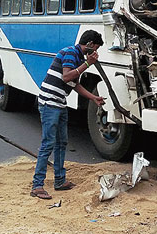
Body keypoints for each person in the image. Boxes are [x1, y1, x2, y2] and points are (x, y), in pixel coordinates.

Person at [30, 30, 105, 200]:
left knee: (61, 142)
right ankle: (37, 185)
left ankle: (59, 180)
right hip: (50, 103)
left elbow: (74, 83)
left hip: (59, 103)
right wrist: (88, 64)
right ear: (90, 45)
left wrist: (93, 98)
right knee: (48, 143)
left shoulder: (77, 58)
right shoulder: (71, 52)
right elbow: (66, 76)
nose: (95, 53)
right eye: (95, 49)